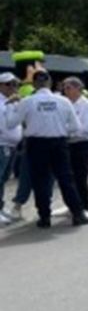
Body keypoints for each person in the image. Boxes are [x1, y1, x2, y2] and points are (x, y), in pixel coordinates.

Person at [4, 71, 88, 228]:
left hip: (36, 144)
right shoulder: (63, 101)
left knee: (40, 181)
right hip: (59, 143)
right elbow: (76, 127)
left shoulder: (27, 102)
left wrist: (12, 105)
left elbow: (10, 123)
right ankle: (78, 213)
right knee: (66, 179)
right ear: (49, 83)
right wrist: (60, 129)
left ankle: (44, 217)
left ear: (34, 84)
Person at [62, 77, 88, 217]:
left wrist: (68, 131)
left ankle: (84, 207)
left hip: (83, 144)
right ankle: (73, 205)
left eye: (68, 88)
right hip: (68, 144)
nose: (65, 91)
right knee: (68, 177)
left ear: (78, 89)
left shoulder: (87, 106)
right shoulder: (65, 104)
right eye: (64, 88)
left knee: (81, 177)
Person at [0, 73, 21, 225]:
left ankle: (0, 207)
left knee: (4, 179)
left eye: (15, 84)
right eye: (9, 84)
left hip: (12, 144)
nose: (12, 87)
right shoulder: (3, 102)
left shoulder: (13, 101)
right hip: (1, 144)